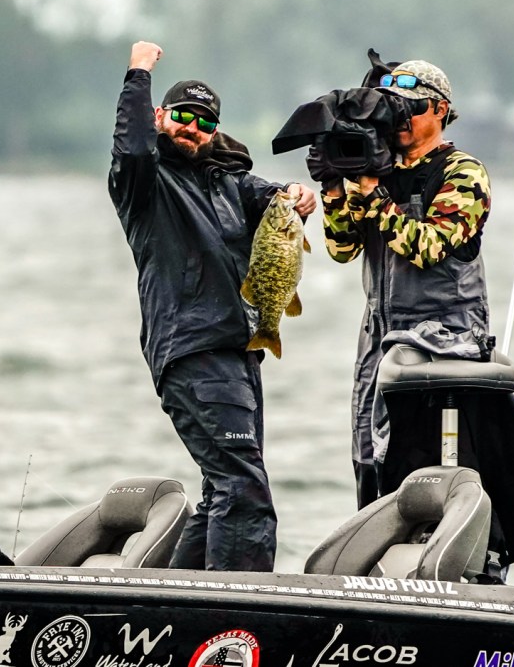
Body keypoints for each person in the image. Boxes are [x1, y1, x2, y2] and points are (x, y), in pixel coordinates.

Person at [108, 41, 316, 572]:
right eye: (182, 116)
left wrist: (297, 193)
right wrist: (139, 73)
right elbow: (132, 148)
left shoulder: (227, 182)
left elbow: (270, 198)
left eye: (204, 123)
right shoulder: (144, 182)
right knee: (243, 491)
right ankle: (237, 610)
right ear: (160, 117)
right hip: (193, 350)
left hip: (240, 353)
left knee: (225, 487)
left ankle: (169, 603)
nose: (192, 128)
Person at [320, 60, 492, 510]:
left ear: (440, 109)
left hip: (444, 341)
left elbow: (428, 247)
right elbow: (341, 248)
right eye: (391, 109)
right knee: (370, 458)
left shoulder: (463, 172)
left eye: (410, 108)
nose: (399, 119)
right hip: (379, 339)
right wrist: (334, 189)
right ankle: (372, 540)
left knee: (431, 462)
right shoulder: (377, 171)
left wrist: (374, 194)